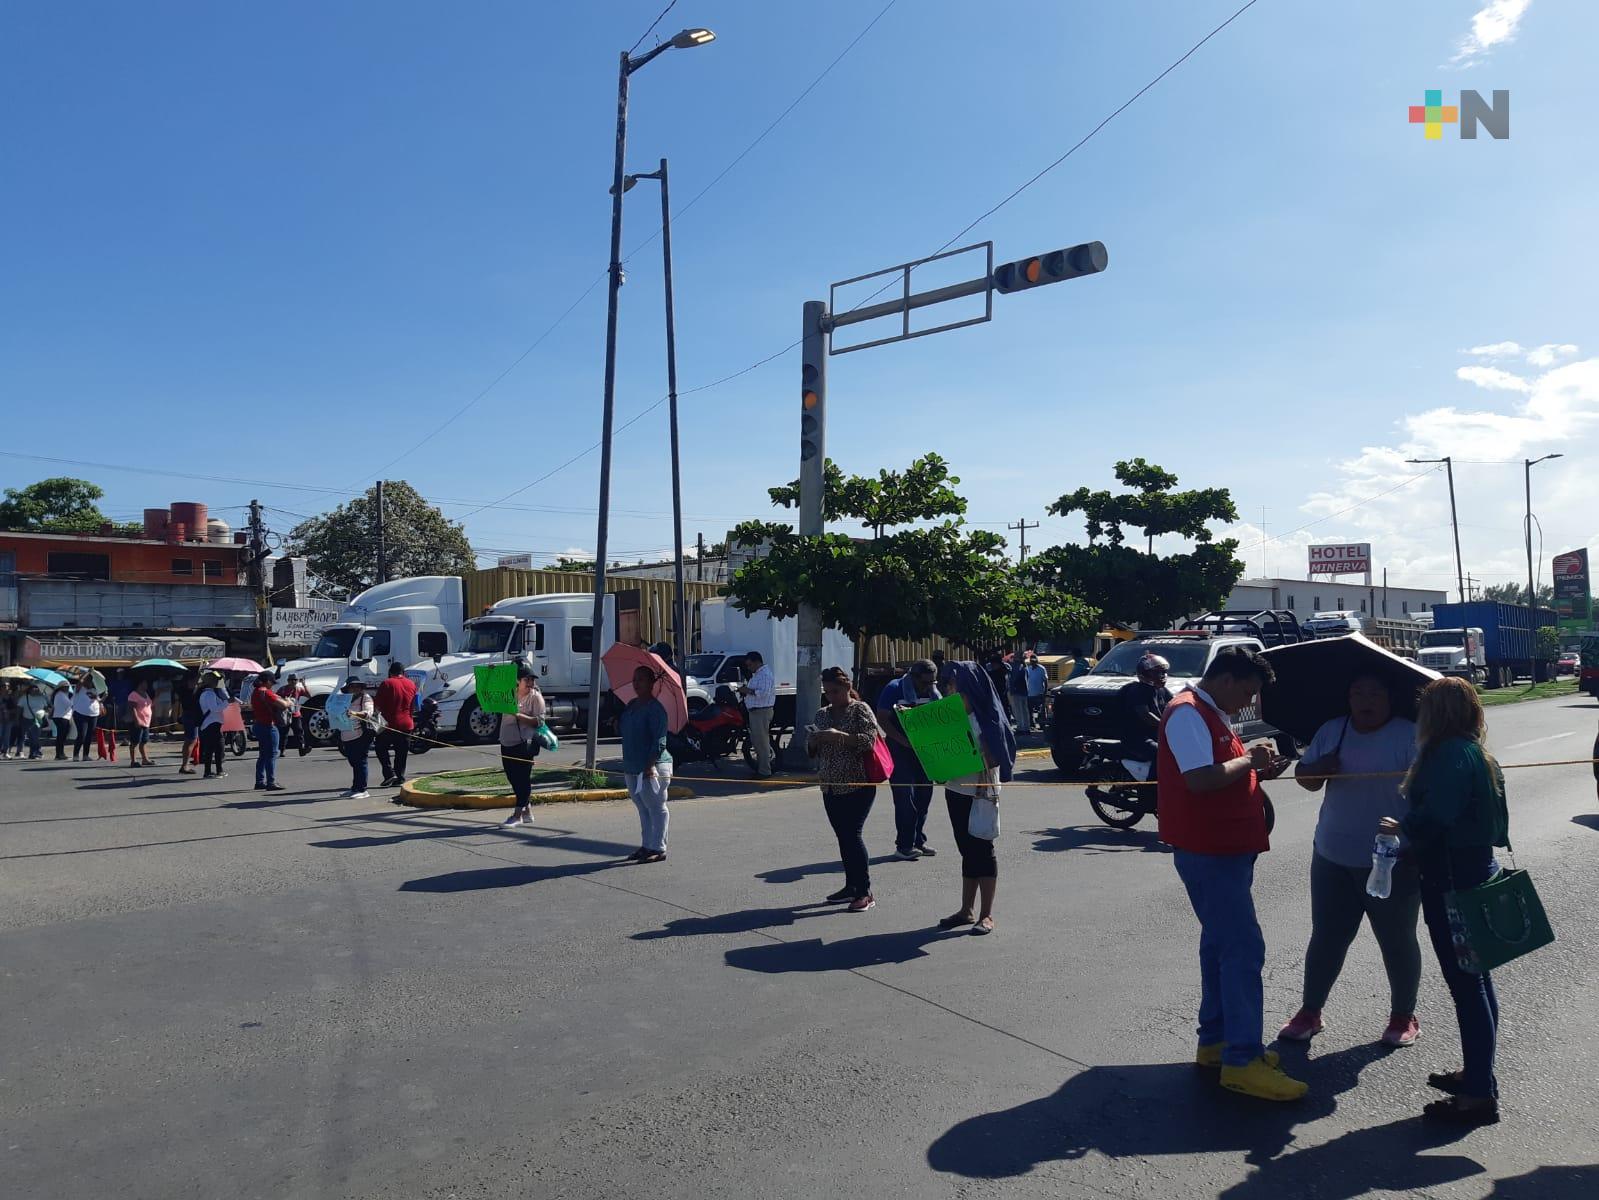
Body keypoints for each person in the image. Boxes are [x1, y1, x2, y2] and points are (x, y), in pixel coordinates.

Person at [1157, 645, 1302, 1101]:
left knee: (1220, 946)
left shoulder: (1209, 712)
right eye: (1248, 690)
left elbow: (1222, 774)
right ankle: (1242, 1059)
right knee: (1242, 950)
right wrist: (1250, 762)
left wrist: (1257, 770)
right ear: (1225, 679)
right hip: (1210, 850)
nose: (1250, 701)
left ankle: (1217, 1044)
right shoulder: (1188, 712)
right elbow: (1200, 778)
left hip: (1223, 848)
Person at [1379, 677, 1510, 1126]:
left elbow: (1440, 814)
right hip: (1473, 869)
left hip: (1452, 877)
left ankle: (1477, 1094)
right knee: (1476, 979)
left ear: (1437, 713)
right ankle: (1479, 1077)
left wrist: (1404, 829)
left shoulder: (1449, 753)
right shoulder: (1475, 751)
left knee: (1467, 985)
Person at [1280, 675, 1422, 1048]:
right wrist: (1320, 768)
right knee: (1327, 937)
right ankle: (1310, 1012)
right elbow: (1305, 778)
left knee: (1397, 941)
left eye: (1374, 692)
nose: (1365, 700)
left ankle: (1403, 1015)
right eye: (1357, 692)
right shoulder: (1333, 730)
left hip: (1392, 860)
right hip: (1332, 854)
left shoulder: (1410, 735)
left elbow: (1429, 793)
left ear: (1390, 698)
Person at [935, 661, 1017, 935]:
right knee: (966, 850)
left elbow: (997, 758)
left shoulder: (988, 720)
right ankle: (966, 910)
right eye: (948, 687)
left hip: (981, 793)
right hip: (955, 790)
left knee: (982, 850)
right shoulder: (948, 718)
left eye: (956, 688)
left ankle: (987, 914)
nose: (951, 693)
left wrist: (979, 749)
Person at [806, 665, 882, 911]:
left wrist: (839, 736)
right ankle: (851, 886)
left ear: (848, 687)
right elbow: (813, 753)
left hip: (857, 783)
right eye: (827, 692)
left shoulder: (860, 710)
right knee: (843, 837)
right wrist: (813, 741)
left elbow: (868, 742)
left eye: (836, 691)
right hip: (829, 785)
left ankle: (865, 891)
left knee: (853, 835)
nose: (832, 697)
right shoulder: (822, 714)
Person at [875, 658, 941, 861]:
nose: (928, 686)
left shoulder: (933, 693)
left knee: (924, 796)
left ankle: (918, 840)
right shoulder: (894, 689)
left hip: (924, 752)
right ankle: (904, 845)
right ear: (913, 677)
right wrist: (903, 741)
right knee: (905, 798)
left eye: (932, 682)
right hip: (900, 751)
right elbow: (883, 718)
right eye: (924, 682)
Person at [620, 665, 674, 861]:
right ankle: (647, 845)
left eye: (641, 679)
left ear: (652, 683)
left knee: (656, 806)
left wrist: (650, 765)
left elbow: (660, 740)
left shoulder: (656, 709)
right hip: (632, 765)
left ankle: (659, 848)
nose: (636, 683)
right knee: (642, 807)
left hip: (653, 766)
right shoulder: (632, 705)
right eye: (635, 679)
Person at [498, 666, 547, 828]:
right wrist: (491, 674)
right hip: (506, 742)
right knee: (512, 778)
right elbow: (489, 691)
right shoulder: (508, 693)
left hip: (524, 744)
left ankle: (517, 814)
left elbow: (539, 722)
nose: (530, 683)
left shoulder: (535, 698)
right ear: (518, 681)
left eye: (532, 680)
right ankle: (527, 811)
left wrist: (518, 715)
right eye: (527, 679)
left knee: (522, 780)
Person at [1117, 654, 1173, 775]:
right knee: (1162, 753)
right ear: (1145, 673)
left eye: (1163, 672)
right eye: (1157, 672)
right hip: (1137, 738)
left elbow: (1175, 705)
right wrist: (1167, 726)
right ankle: (1151, 789)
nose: (1162, 675)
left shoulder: (1162, 690)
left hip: (1155, 735)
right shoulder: (1137, 690)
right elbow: (1146, 716)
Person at [374, 661, 418, 788]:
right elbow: (414, 705)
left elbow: (378, 704)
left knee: (380, 748)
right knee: (401, 752)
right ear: (403, 673)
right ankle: (400, 777)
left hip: (389, 724)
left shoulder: (387, 683)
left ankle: (389, 773)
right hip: (407, 723)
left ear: (390, 672)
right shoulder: (411, 684)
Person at [247, 671, 289, 791]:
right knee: (271, 754)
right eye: (272, 682)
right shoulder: (266, 692)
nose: (273, 685)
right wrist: (289, 702)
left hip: (258, 724)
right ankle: (271, 781)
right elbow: (283, 705)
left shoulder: (256, 691)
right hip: (268, 726)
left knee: (263, 755)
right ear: (268, 681)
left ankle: (259, 781)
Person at [739, 651, 777, 777]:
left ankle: (765, 771)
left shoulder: (764, 675)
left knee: (762, 743)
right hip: (755, 711)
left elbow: (763, 693)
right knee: (757, 742)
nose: (749, 668)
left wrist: (747, 690)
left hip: (761, 711)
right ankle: (761, 768)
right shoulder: (757, 675)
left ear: (757, 662)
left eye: (750, 665)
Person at [338, 677, 375, 800]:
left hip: (361, 734)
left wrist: (354, 714)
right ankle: (355, 788)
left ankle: (362, 789)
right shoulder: (344, 700)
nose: (354, 689)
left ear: (361, 687)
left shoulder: (366, 698)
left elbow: (368, 713)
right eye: (351, 687)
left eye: (357, 686)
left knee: (360, 762)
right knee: (353, 762)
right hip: (346, 734)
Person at [197, 671, 231, 779]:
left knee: (213, 748)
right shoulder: (209, 694)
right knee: (217, 748)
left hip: (211, 723)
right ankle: (214, 771)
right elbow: (214, 708)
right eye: (216, 680)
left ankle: (213, 771)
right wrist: (227, 703)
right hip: (211, 723)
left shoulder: (208, 693)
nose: (218, 682)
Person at [176, 675, 202, 775]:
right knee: (191, 740)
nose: (196, 683)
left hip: (188, 716)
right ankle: (184, 765)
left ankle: (184, 764)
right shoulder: (188, 693)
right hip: (190, 716)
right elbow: (191, 704)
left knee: (189, 740)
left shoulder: (185, 691)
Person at [280, 674, 311, 756]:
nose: (293, 682)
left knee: (299, 732)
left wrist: (304, 684)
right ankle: (282, 750)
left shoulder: (298, 689)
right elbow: (276, 698)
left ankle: (302, 750)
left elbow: (309, 695)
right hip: (285, 714)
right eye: (291, 680)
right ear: (288, 681)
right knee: (284, 733)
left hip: (296, 714)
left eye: (295, 680)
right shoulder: (282, 689)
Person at [127, 679, 155, 767]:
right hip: (138, 721)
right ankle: (133, 761)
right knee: (135, 741)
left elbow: (149, 705)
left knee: (144, 741)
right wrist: (137, 720)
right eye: (145, 683)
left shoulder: (146, 694)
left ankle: (145, 759)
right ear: (140, 684)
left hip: (146, 722)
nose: (147, 685)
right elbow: (133, 708)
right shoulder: (133, 695)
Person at [71, 681, 100, 761]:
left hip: (93, 714)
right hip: (80, 714)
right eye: (88, 681)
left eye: (91, 681)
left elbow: (98, 700)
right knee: (82, 735)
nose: (89, 683)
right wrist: (85, 675)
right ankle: (76, 755)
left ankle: (85, 755)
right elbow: (80, 682)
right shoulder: (79, 688)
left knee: (89, 735)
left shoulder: (94, 689)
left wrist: (104, 696)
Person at [1006, 652, 1032, 734]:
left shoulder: (1016, 667)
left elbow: (1013, 679)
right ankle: (1026, 727)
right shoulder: (1024, 666)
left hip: (1016, 691)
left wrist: (1011, 689)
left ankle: (1021, 727)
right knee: (1024, 710)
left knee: (1018, 710)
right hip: (1024, 691)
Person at [19, 683, 46, 759]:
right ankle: (35, 752)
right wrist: (18, 719)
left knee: (35, 737)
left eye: (36, 688)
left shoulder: (42, 698)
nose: (35, 689)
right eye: (33, 688)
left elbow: (46, 707)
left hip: (38, 719)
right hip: (27, 719)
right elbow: (19, 708)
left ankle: (34, 752)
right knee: (32, 737)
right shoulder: (24, 698)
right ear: (29, 690)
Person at [51, 681, 73, 759]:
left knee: (63, 736)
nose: (67, 688)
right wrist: (73, 698)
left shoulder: (63, 694)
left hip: (63, 717)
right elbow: (70, 704)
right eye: (65, 686)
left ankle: (61, 753)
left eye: (68, 687)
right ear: (61, 687)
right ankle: (59, 754)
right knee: (61, 736)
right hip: (61, 717)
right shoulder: (60, 694)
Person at [94, 690, 119, 761]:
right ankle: (105, 754)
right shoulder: (114, 705)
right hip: (106, 722)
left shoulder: (109, 704)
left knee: (107, 738)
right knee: (103, 738)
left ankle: (108, 754)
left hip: (107, 722)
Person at [1026, 654, 1048, 729]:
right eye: (1031, 661)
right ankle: (1031, 724)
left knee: (1041, 711)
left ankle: (1042, 725)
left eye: (1034, 661)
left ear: (1037, 661)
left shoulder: (1042, 669)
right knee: (1029, 711)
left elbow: (1045, 681)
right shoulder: (1028, 669)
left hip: (1039, 693)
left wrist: (1045, 692)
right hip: (1029, 693)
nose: (1033, 662)